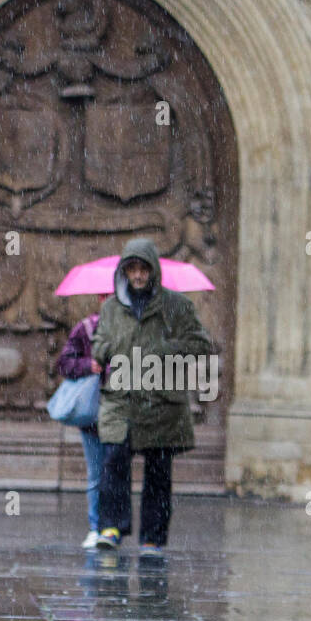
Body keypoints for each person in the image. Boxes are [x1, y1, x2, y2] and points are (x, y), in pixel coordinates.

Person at [91, 238, 213, 557]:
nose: (138, 275)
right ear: (124, 271)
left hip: (161, 403)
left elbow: (202, 345)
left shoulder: (178, 306)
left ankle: (152, 538)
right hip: (122, 399)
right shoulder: (111, 307)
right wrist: (107, 351)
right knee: (114, 460)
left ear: (153, 270)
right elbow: (100, 341)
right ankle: (111, 527)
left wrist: (163, 350)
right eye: (132, 268)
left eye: (143, 268)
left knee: (158, 473)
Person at [56, 296, 111, 549]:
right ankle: (96, 526)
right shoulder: (87, 328)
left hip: (122, 411)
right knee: (96, 472)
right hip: (93, 413)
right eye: (107, 295)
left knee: (116, 472)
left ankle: (113, 528)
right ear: (101, 298)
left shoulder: (133, 330)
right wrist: (88, 365)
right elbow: (64, 363)